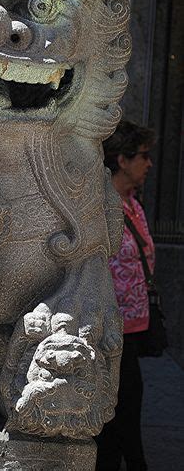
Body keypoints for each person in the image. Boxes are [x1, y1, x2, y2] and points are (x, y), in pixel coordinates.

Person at [96, 120, 156, 471]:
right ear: (122, 159)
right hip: (110, 331)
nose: (149, 164)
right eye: (143, 157)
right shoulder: (104, 207)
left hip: (134, 330)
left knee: (126, 412)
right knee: (117, 419)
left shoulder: (134, 204)